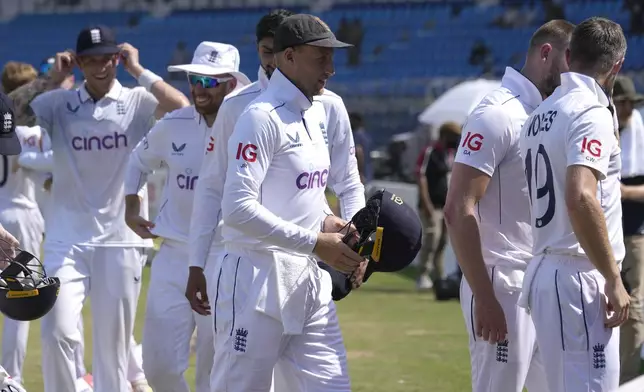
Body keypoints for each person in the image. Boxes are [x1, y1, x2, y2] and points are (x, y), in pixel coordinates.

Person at [29, 25, 189, 392]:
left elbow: (182, 108)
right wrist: (54, 79)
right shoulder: (59, 102)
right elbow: (14, 117)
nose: (101, 67)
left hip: (121, 240)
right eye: (92, 60)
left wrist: (138, 70)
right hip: (66, 240)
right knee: (56, 332)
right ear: (79, 62)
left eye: (109, 59)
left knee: (113, 352)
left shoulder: (137, 101)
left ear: (118, 58)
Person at [209, 14, 362, 391]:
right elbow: (237, 210)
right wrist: (314, 241)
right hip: (254, 281)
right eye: (321, 58)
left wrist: (335, 225)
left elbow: (310, 194)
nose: (331, 69)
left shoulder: (318, 112)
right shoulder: (259, 117)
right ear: (288, 57)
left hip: (309, 281)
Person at [445, 19, 575, 391]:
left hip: (538, 281)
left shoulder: (549, 114)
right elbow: (457, 208)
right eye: (571, 63)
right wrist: (485, 296)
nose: (575, 76)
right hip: (500, 282)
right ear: (547, 54)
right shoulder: (496, 114)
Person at [124, 41, 249, 392]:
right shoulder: (174, 124)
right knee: (157, 366)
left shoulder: (251, 127)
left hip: (227, 255)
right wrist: (131, 206)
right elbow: (136, 161)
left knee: (214, 369)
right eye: (195, 79)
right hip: (174, 253)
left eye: (210, 82)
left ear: (231, 84)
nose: (199, 88)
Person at [518, 17, 629, 391]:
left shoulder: (537, 116)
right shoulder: (590, 112)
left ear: (569, 55)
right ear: (616, 66)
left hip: (548, 266)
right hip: (578, 274)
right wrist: (613, 278)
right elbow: (581, 195)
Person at [612, 75, 644, 384]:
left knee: (633, 306)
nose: (628, 109)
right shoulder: (603, 130)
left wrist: (622, 191)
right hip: (604, 233)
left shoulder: (640, 134)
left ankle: (629, 378)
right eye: (623, 103)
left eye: (630, 104)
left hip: (634, 233)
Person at [417, 121, 461, 292]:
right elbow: (421, 176)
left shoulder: (451, 154)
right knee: (432, 238)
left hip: (446, 204)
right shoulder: (430, 151)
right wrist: (426, 202)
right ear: (445, 135)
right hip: (432, 204)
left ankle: (438, 274)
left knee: (443, 240)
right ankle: (423, 273)